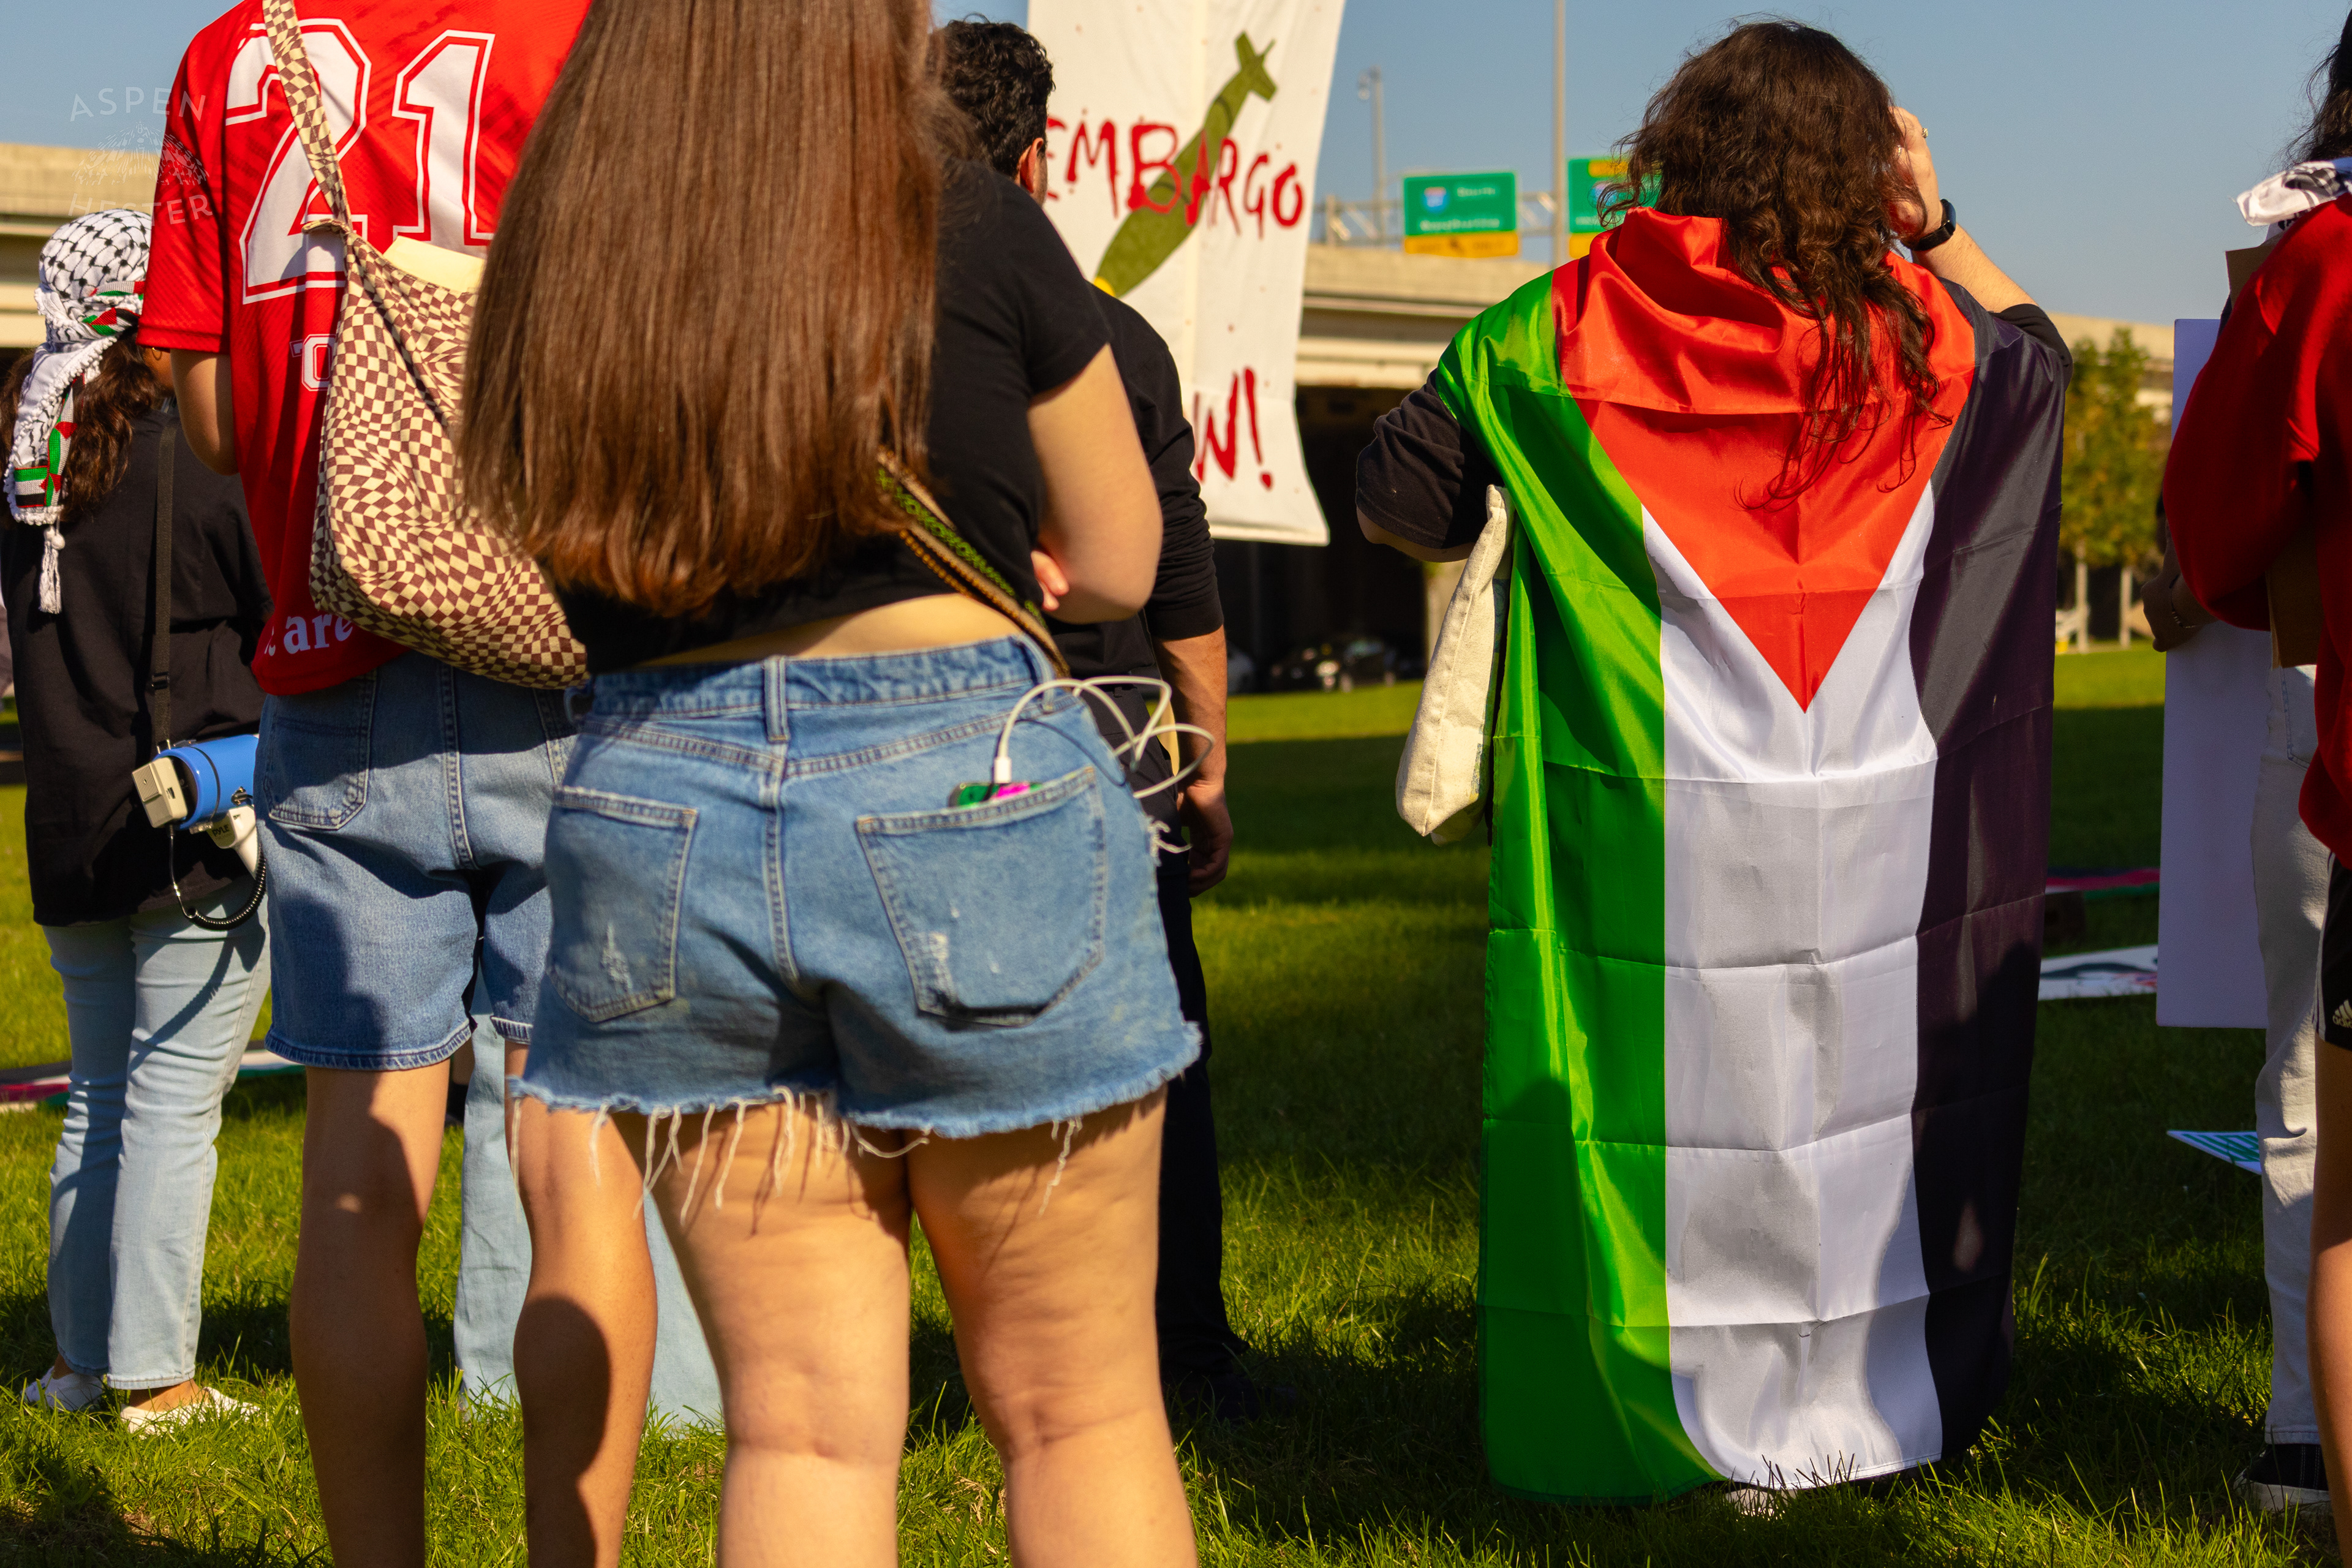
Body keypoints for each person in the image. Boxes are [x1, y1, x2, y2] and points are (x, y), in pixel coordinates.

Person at [463, 1, 1198, 1562]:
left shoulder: (571, 247)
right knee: (1081, 1408)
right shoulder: (972, 218)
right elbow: (1124, 554)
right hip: (966, 783)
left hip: (655, 806)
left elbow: (543, 533)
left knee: (796, 1424)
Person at [1357, 21, 2068, 1502]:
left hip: (1650, 815)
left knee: (1672, 1108)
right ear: (1865, 168)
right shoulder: (1933, 337)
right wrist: (1934, 225)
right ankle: (1858, 1405)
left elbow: (1396, 501)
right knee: (1864, 1099)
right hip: (1884, 827)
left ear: (1683, 149)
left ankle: (1662, 1402)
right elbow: (2044, 367)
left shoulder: (1557, 330)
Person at [143, 4, 716, 1561]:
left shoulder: (228, 56)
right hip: (567, 657)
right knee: (574, 1165)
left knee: (357, 1177)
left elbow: (206, 415)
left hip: (334, 660)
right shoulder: (580, 29)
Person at [935, 17, 1267, 1419]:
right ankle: (1172, 1345)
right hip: (1105, 741)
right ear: (1041, 153)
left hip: (904, 737)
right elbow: (1172, 577)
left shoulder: (829, 309)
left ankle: (955, 1352)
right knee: (1151, 1056)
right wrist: (1207, 774)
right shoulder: (1108, 337)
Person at [4, 208, 271, 1430]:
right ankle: (155, 1377)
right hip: (194, 827)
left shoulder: (30, 464)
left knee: (101, 1098)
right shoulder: (207, 461)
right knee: (172, 1106)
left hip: (67, 823)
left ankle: (73, 1365)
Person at [2167, 9, 2352, 1535]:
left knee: (2313, 1097)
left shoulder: (2321, 259)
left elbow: (2221, 542)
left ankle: (2310, 1441)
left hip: (2342, 735)